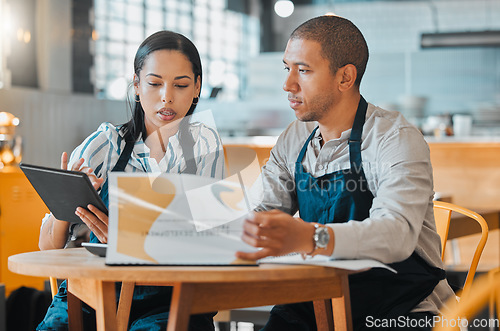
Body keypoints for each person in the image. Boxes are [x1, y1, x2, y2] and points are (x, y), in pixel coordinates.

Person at [236, 15, 456, 331]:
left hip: (400, 308)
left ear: (345, 77)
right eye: (288, 68)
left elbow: (396, 233)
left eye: (304, 70)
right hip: (313, 303)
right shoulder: (294, 139)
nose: (289, 84)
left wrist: (311, 237)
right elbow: (261, 214)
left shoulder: (395, 138)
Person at [37, 30, 224, 331]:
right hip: (93, 295)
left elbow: (211, 245)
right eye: (154, 83)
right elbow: (48, 246)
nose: (167, 96)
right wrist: (67, 197)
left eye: (181, 85)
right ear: (137, 86)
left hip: (171, 298)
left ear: (197, 87)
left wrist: (130, 243)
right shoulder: (105, 144)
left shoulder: (203, 145)